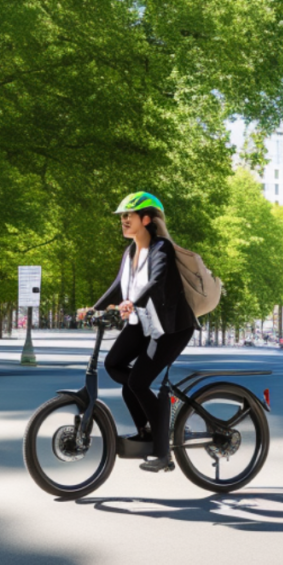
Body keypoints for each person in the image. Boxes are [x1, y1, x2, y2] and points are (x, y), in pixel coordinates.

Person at [93, 191, 199, 473]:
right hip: (144, 324)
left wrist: (132, 302)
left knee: (138, 383)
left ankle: (163, 451)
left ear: (147, 219)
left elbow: (155, 282)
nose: (124, 220)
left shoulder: (161, 248)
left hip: (171, 329)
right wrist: (93, 309)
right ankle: (149, 429)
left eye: (129, 216)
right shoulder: (130, 253)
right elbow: (118, 286)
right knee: (114, 366)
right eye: (122, 216)